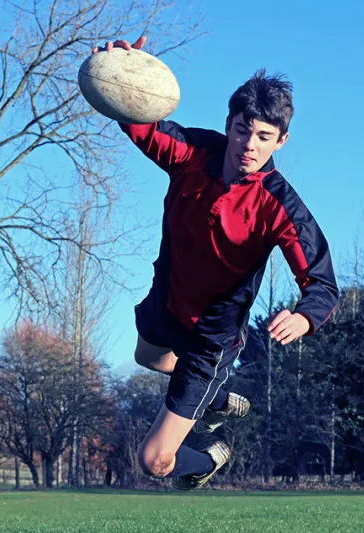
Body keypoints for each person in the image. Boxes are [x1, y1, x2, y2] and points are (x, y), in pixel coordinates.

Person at [91, 36, 339, 490]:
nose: (249, 144)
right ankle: (219, 400)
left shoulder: (281, 206)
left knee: (153, 461)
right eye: (243, 129)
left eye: (265, 136)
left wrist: (305, 318)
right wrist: (121, 67)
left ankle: (209, 454)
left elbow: (322, 283)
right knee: (147, 355)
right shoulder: (194, 152)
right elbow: (139, 119)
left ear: (282, 141)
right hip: (167, 301)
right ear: (229, 124)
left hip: (211, 339)